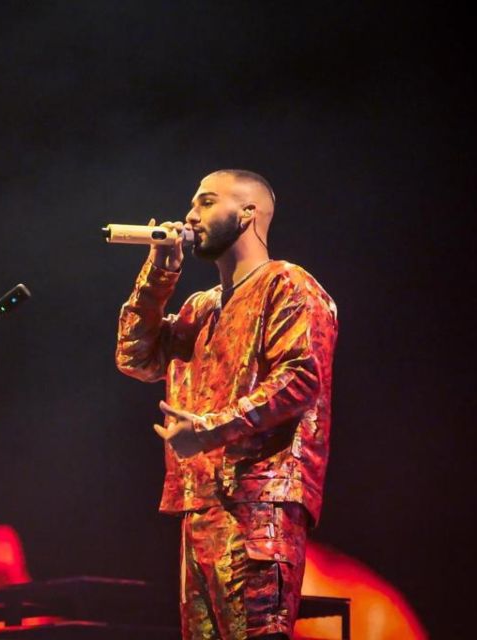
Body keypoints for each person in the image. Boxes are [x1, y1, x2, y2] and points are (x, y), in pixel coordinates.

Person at [115, 170, 338, 640]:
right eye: (192, 204)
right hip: (200, 507)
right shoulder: (201, 308)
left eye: (207, 202)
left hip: (259, 503)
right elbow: (135, 357)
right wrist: (159, 272)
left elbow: (300, 378)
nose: (191, 215)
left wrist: (210, 430)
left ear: (248, 213)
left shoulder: (288, 283)